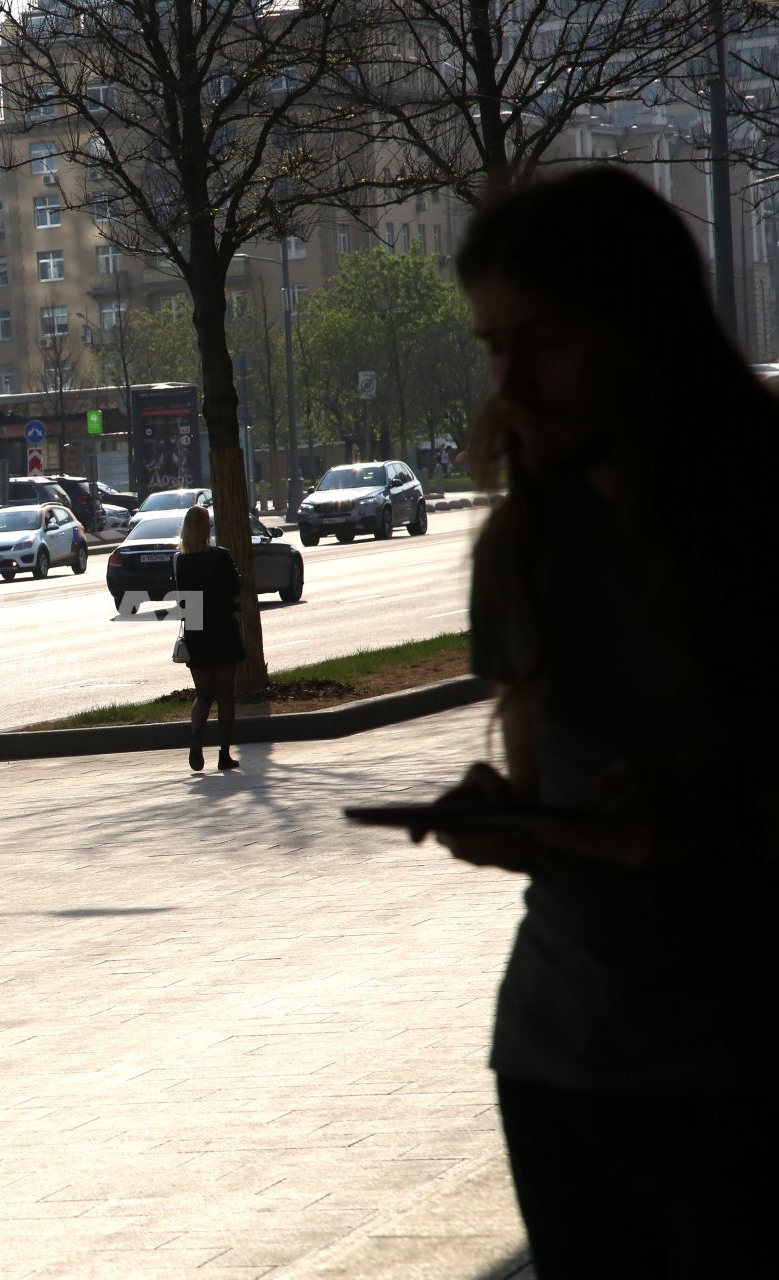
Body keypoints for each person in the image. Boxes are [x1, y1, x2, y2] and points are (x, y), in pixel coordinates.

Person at [420, 166, 775, 1278]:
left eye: (547, 337)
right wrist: (510, 815)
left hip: (746, 1056)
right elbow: (546, 772)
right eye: (491, 346)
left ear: (642, 327)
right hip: (560, 1053)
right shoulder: (524, 548)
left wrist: (702, 824)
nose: (513, 380)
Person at [170, 504, 242, 771]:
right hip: (223, 627)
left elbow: (181, 597)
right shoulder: (220, 557)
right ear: (207, 528)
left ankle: (196, 737)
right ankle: (224, 754)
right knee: (224, 694)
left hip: (196, 628)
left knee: (203, 694)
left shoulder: (179, 561)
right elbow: (236, 587)